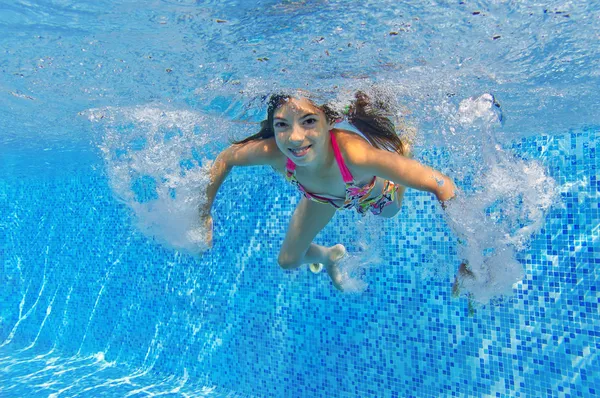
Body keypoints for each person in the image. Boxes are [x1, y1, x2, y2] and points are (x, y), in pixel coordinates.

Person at [199, 91, 457, 291]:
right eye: (282, 125)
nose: (295, 138)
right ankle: (329, 257)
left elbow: (441, 184)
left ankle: (403, 148)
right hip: (320, 197)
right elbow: (226, 158)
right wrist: (203, 213)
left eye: (308, 121)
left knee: (390, 212)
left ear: (330, 120)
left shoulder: (355, 155)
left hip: (372, 194)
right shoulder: (274, 153)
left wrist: (468, 254)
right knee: (288, 261)